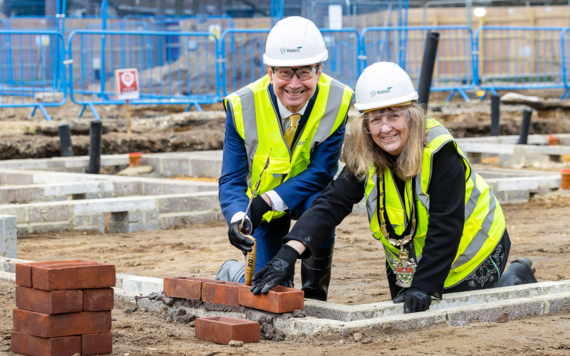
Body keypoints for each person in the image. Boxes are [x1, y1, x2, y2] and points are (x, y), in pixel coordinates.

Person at [250, 61, 538, 311]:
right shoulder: (367, 151)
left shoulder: (439, 150)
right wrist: (288, 254)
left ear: (410, 114)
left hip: (476, 252)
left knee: (450, 313)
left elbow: (447, 224)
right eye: (375, 119)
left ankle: (515, 277)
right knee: (409, 313)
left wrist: (424, 285)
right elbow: (331, 203)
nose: (385, 128)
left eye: (393, 116)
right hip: (409, 257)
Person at [216, 16, 354, 301]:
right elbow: (231, 178)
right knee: (266, 287)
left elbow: (321, 172)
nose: (294, 84)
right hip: (260, 210)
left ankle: (315, 293)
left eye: (304, 72)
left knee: (321, 208)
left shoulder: (337, 100)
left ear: (319, 70)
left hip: (304, 199)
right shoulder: (242, 105)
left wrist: (270, 199)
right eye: (284, 73)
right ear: (269, 71)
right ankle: (234, 271)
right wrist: (239, 216)